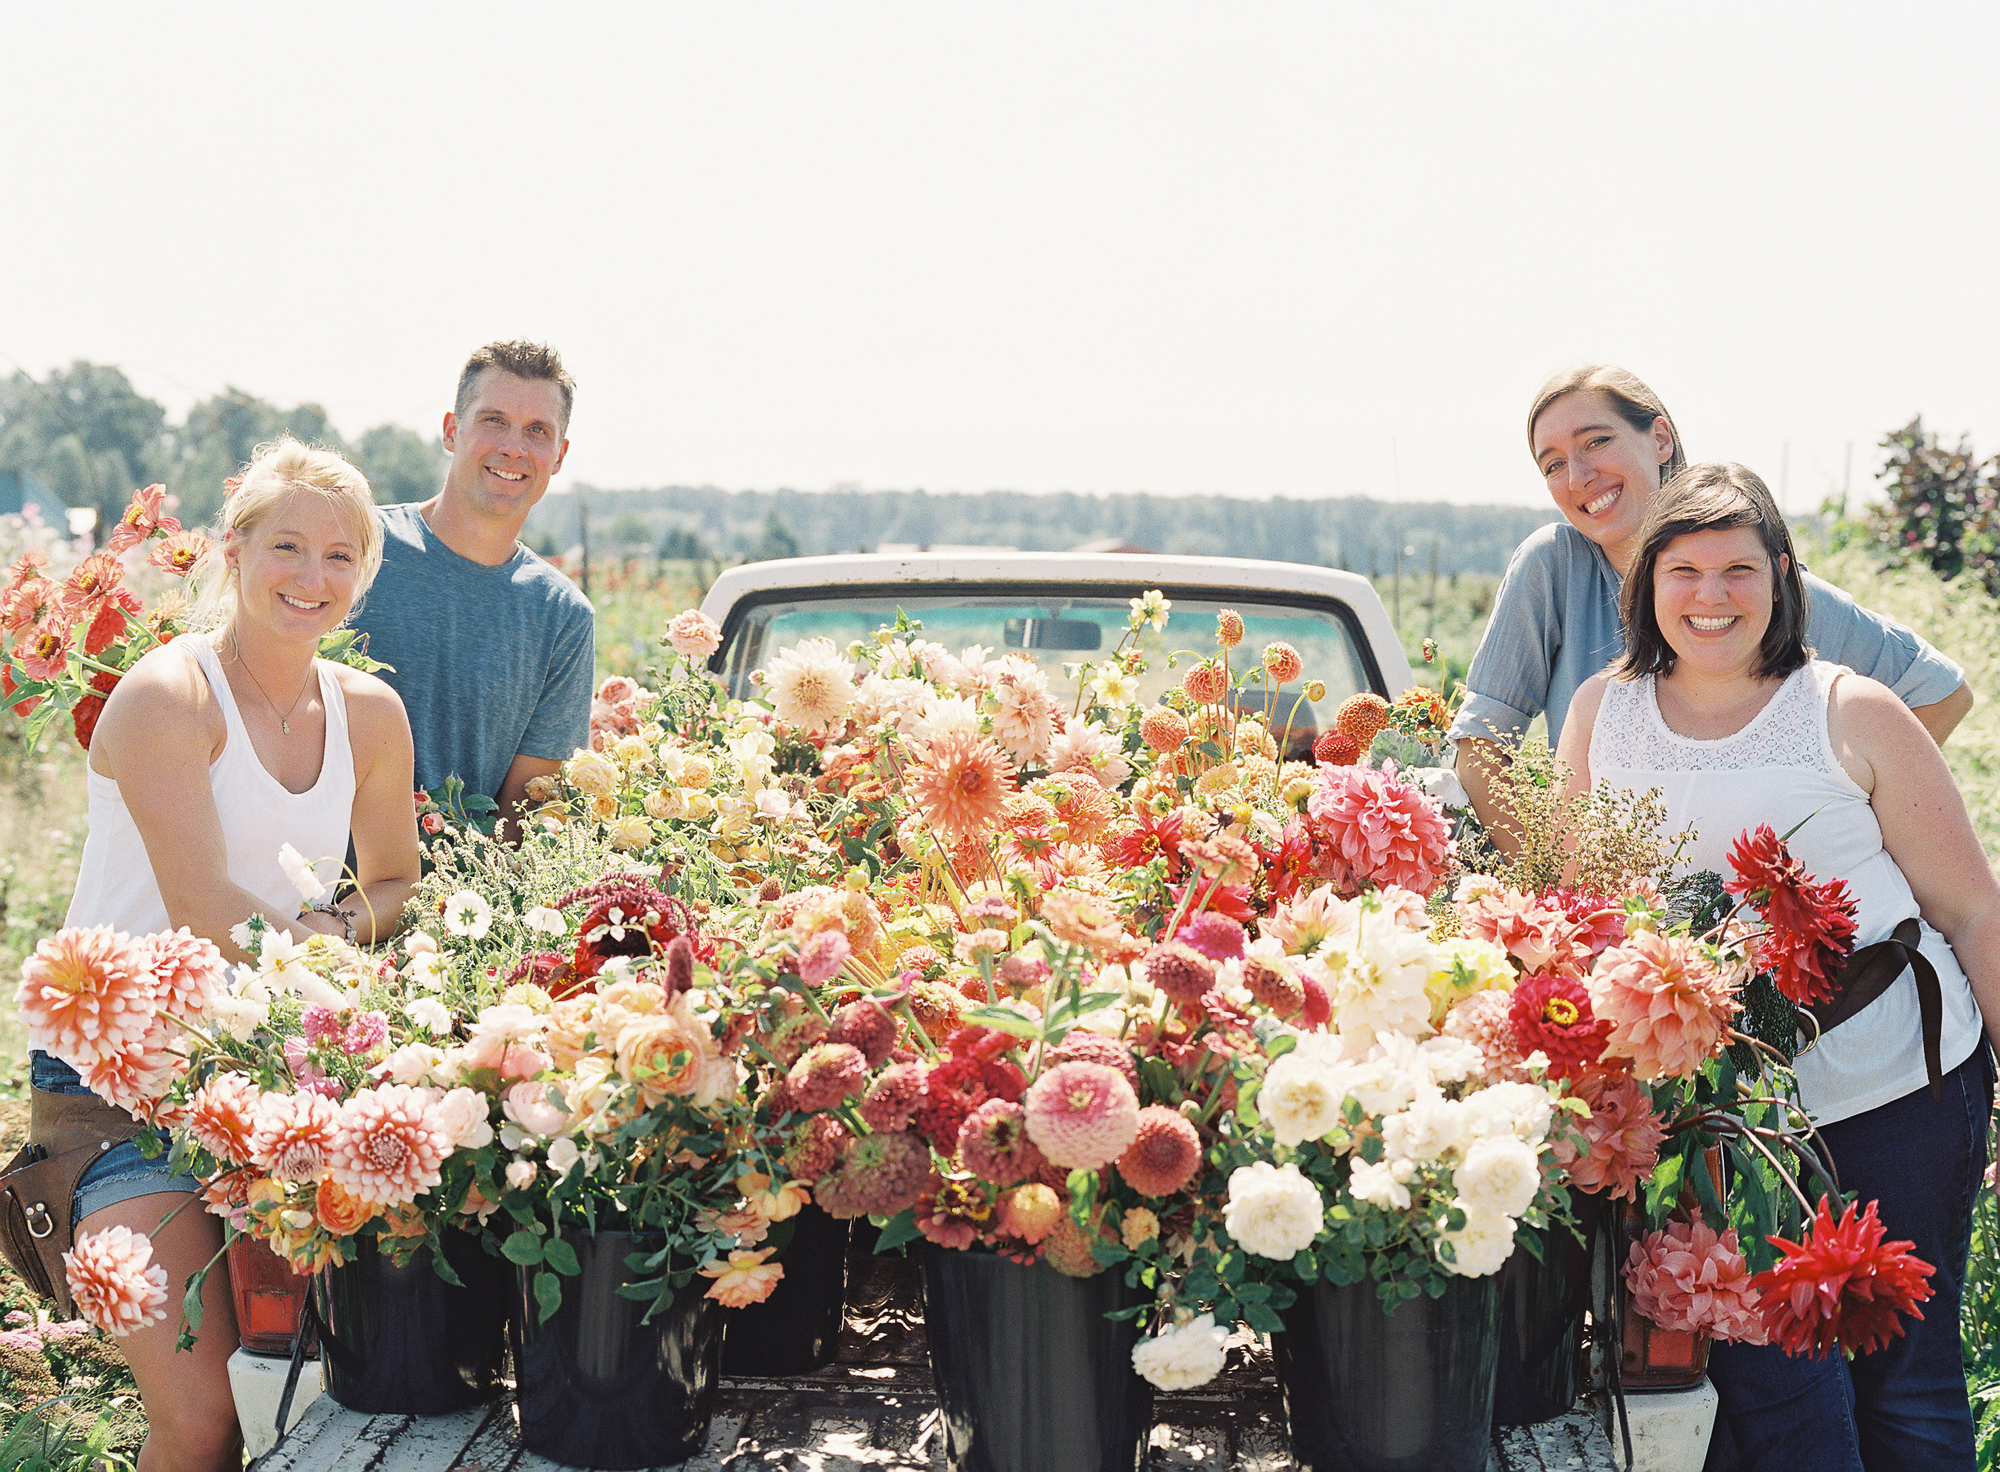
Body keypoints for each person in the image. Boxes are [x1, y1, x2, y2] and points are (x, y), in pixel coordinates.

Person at [1557, 462, 1999, 1469]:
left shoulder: (1851, 710)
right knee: (1764, 1388)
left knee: (1905, 1371)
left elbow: (1970, 908)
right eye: (1683, 570)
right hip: (1720, 1125)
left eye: (1735, 569)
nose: (1709, 595)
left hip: (1896, 1085)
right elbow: (1579, 913)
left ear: (1781, 577)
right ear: (1646, 584)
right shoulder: (1602, 713)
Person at [28, 438, 421, 1472]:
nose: (311, 575)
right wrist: (334, 973)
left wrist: (335, 939)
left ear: (365, 572)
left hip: (274, 1065)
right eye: (286, 544)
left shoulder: (370, 713)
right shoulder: (172, 695)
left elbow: (395, 885)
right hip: (119, 1081)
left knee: (310, 1400)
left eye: (341, 556)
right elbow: (206, 907)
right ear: (234, 550)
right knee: (204, 1417)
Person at [1452, 365, 1971, 848]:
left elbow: (1940, 692)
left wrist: (1837, 835)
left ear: (1659, 438)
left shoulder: (1760, 588)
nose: (1578, 476)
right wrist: (1558, 889)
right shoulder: (1553, 567)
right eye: (1554, 465)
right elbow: (1479, 749)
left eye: (1597, 442)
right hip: (1614, 918)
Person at [348, 340, 594, 840]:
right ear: (451, 431)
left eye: (537, 431)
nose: (513, 447)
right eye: (493, 420)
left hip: (449, 908)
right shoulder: (354, 547)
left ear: (559, 455)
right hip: (299, 886)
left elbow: (522, 816)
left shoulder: (563, 617)